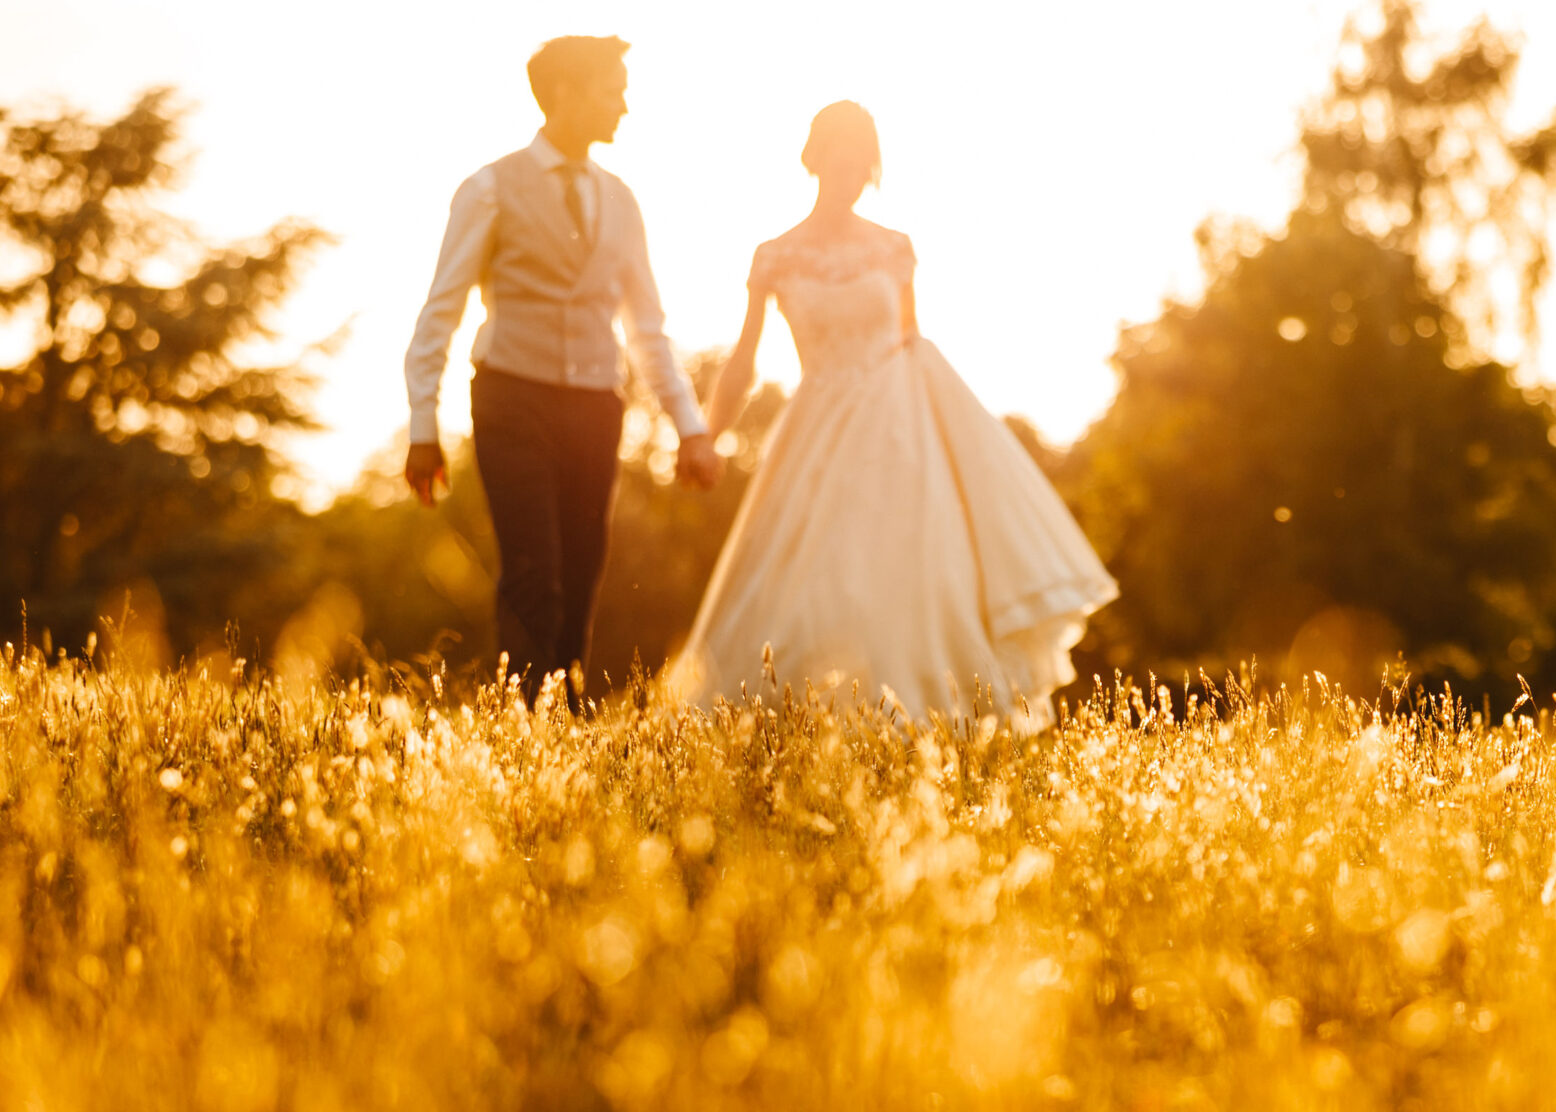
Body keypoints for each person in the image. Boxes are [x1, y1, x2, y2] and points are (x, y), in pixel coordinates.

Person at [669, 102, 1116, 730]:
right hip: (815, 430)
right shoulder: (775, 255)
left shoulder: (893, 248)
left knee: (903, 567)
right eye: (838, 157)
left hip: (898, 429)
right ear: (814, 157)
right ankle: (810, 719)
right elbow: (743, 357)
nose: (850, 172)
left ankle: (921, 718)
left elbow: (911, 341)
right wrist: (706, 437)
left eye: (861, 161)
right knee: (813, 576)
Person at [402, 35, 723, 701]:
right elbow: (442, 309)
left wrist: (690, 427)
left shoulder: (623, 201)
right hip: (511, 397)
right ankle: (525, 720)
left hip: (596, 406)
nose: (625, 107)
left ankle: (563, 710)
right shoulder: (489, 188)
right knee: (532, 569)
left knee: (581, 572)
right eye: (614, 90)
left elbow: (649, 329)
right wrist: (423, 425)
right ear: (566, 93)